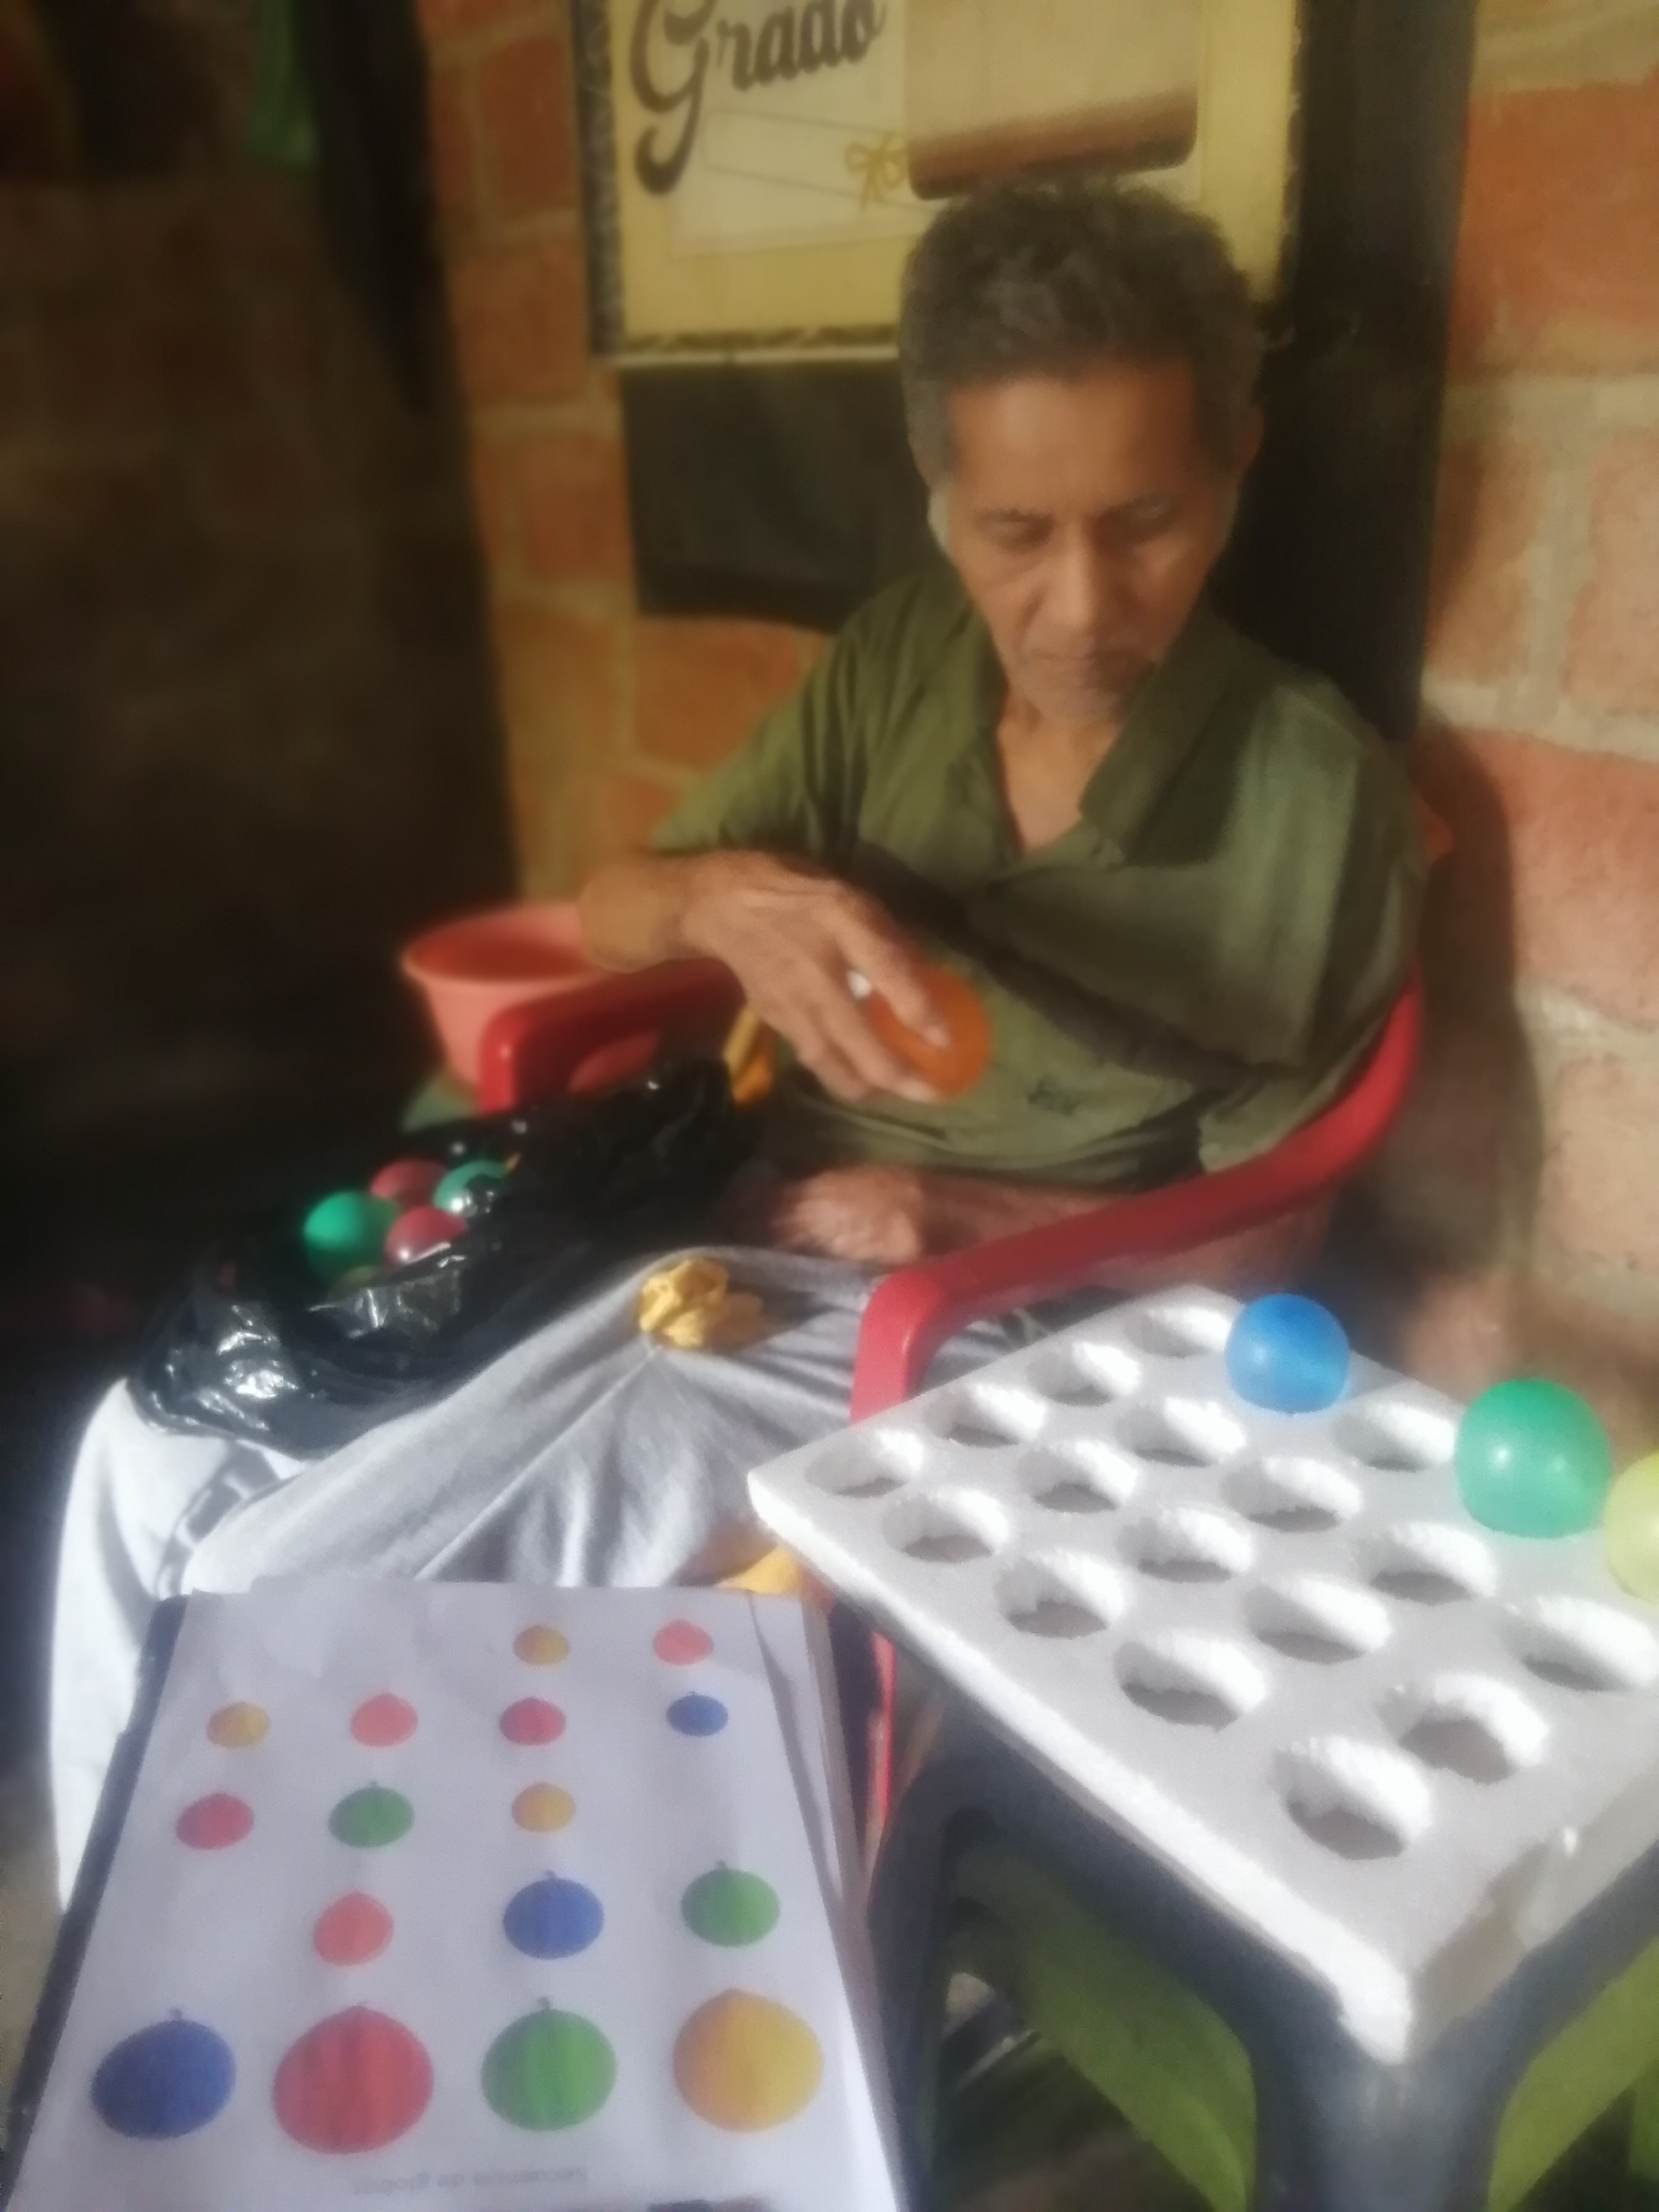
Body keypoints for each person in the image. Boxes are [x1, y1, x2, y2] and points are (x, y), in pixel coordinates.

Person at [48, 178, 1422, 1896]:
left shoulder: (1314, 799)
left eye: (1144, 520)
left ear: (1235, 466)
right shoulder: (899, 667)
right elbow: (614, 902)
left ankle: (254, 1958)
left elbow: (1266, 1240)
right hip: (737, 1221)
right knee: (147, 1452)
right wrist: (723, 900)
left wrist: (956, 1216)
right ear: (937, 495)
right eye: (1016, 531)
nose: (1080, 605)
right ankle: (124, 1967)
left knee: (295, 1584)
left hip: (985, 1324)